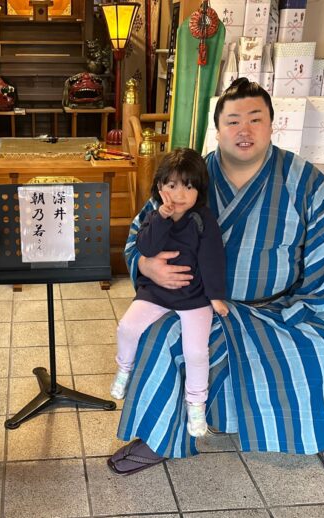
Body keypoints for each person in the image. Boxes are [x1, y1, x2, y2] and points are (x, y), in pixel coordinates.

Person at [108, 78, 324, 516]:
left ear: (270, 125)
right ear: (218, 129)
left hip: (286, 305)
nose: (244, 130)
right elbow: (141, 233)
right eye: (233, 121)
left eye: (255, 119)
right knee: (159, 338)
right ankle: (160, 434)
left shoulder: (303, 180)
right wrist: (147, 265)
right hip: (203, 302)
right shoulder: (191, 176)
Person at [111, 148, 228, 438]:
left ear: (199, 190)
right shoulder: (153, 215)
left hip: (194, 299)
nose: (179, 194)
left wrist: (215, 296)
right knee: (127, 327)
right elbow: (147, 248)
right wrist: (162, 218)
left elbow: (212, 258)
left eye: (188, 186)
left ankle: (196, 405)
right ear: (160, 187)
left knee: (196, 352)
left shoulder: (202, 219)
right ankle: (124, 370)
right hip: (156, 293)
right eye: (172, 185)